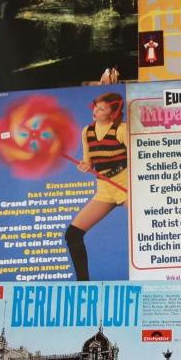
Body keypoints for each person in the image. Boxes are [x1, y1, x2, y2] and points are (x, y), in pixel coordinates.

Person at [65, 92, 128, 281]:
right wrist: (85, 166)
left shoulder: (121, 129)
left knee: (145, 228)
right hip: (104, 189)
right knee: (73, 234)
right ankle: (83, 284)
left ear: (112, 113)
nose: (96, 111)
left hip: (126, 185)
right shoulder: (87, 131)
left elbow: (138, 156)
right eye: (96, 107)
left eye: (102, 109)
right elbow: (88, 161)